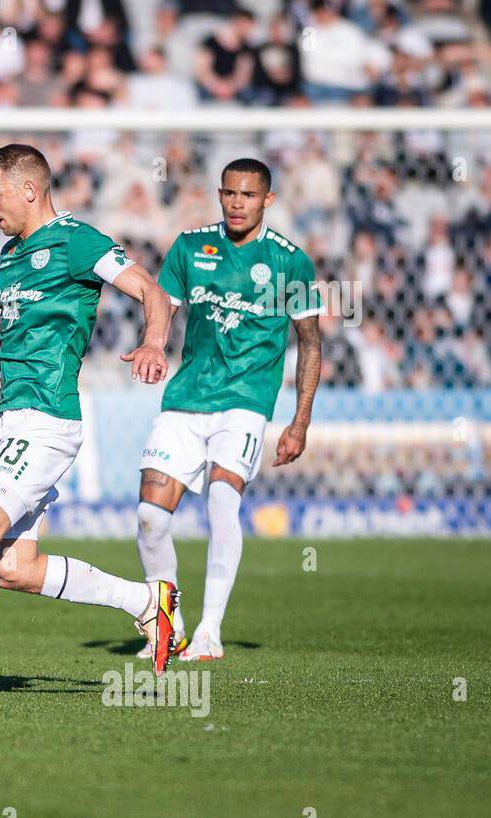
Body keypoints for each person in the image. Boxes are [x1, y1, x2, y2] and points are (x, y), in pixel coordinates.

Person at [0, 144, 180, 702]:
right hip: (10, 419)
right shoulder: (10, 255)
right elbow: (9, 343)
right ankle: (148, 603)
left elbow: (152, 290)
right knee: (13, 567)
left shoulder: (77, 242)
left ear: (29, 189)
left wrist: (152, 340)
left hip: (47, 417)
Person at [135, 158, 323, 663]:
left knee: (222, 502)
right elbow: (162, 306)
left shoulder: (290, 262)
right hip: (186, 398)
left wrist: (299, 419)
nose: (237, 203)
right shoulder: (191, 247)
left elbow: (310, 342)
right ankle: (164, 625)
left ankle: (210, 631)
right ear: (219, 195)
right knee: (150, 516)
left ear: (268, 200)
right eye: (229, 194)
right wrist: (154, 343)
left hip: (245, 403)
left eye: (248, 195)